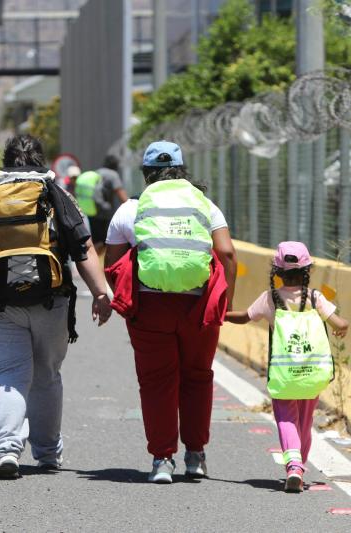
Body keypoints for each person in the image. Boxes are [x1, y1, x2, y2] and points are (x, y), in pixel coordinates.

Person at [0, 134, 112, 479]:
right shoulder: (55, 193)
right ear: (42, 161)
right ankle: (48, 453)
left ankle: (7, 449)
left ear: (6, 161)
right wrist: (101, 294)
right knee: (46, 376)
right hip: (51, 301)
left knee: (8, 373)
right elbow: (83, 248)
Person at [104, 140, 237, 484]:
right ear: (182, 170)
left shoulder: (132, 208)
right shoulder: (204, 204)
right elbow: (227, 254)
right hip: (198, 306)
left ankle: (162, 459)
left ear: (146, 173)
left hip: (151, 308)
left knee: (157, 382)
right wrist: (226, 302)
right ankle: (195, 456)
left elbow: (113, 264)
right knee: (197, 376)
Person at [225, 241, 349, 492]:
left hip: (283, 373)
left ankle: (293, 465)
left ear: (277, 272)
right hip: (311, 374)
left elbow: (245, 317)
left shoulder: (270, 299)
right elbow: (339, 324)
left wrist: (223, 314)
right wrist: (342, 327)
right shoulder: (315, 298)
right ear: (308, 271)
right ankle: (300, 465)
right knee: (304, 421)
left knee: (286, 419)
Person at [74, 155, 129, 256]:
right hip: (105, 212)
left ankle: (92, 258)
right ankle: (93, 260)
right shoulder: (113, 174)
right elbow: (120, 193)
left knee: (97, 240)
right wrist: (131, 205)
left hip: (92, 210)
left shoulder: (97, 172)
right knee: (106, 241)